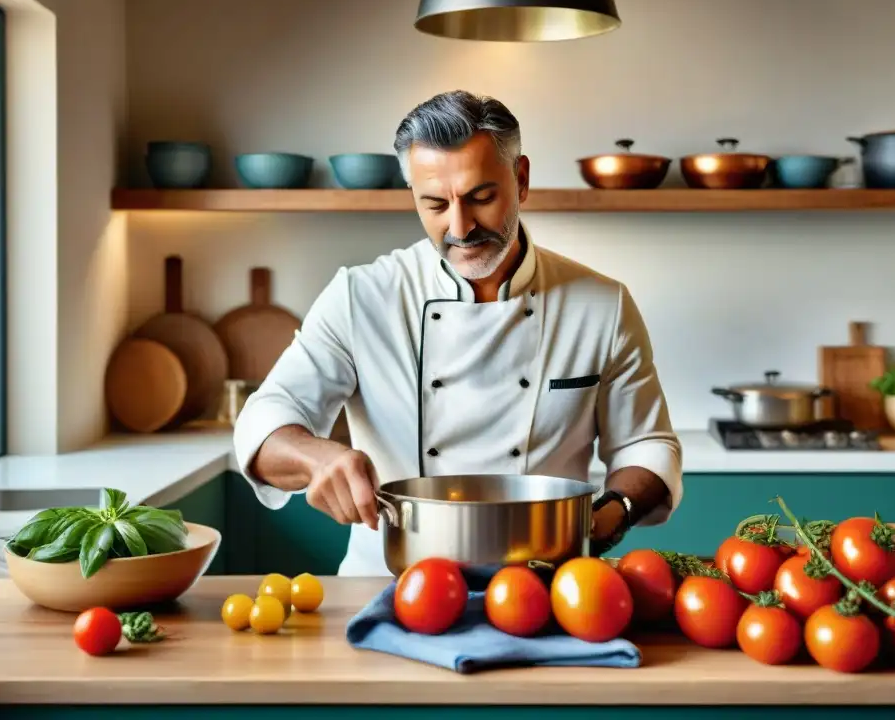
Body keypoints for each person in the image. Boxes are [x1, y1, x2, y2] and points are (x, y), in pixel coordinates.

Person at [233, 90, 683, 577]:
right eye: (434, 204)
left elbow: (647, 445)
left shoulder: (601, 305)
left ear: (522, 179)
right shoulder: (360, 297)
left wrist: (608, 516)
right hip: (388, 586)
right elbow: (265, 419)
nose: (460, 226)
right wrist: (318, 457)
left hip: (546, 589)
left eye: (481, 197)